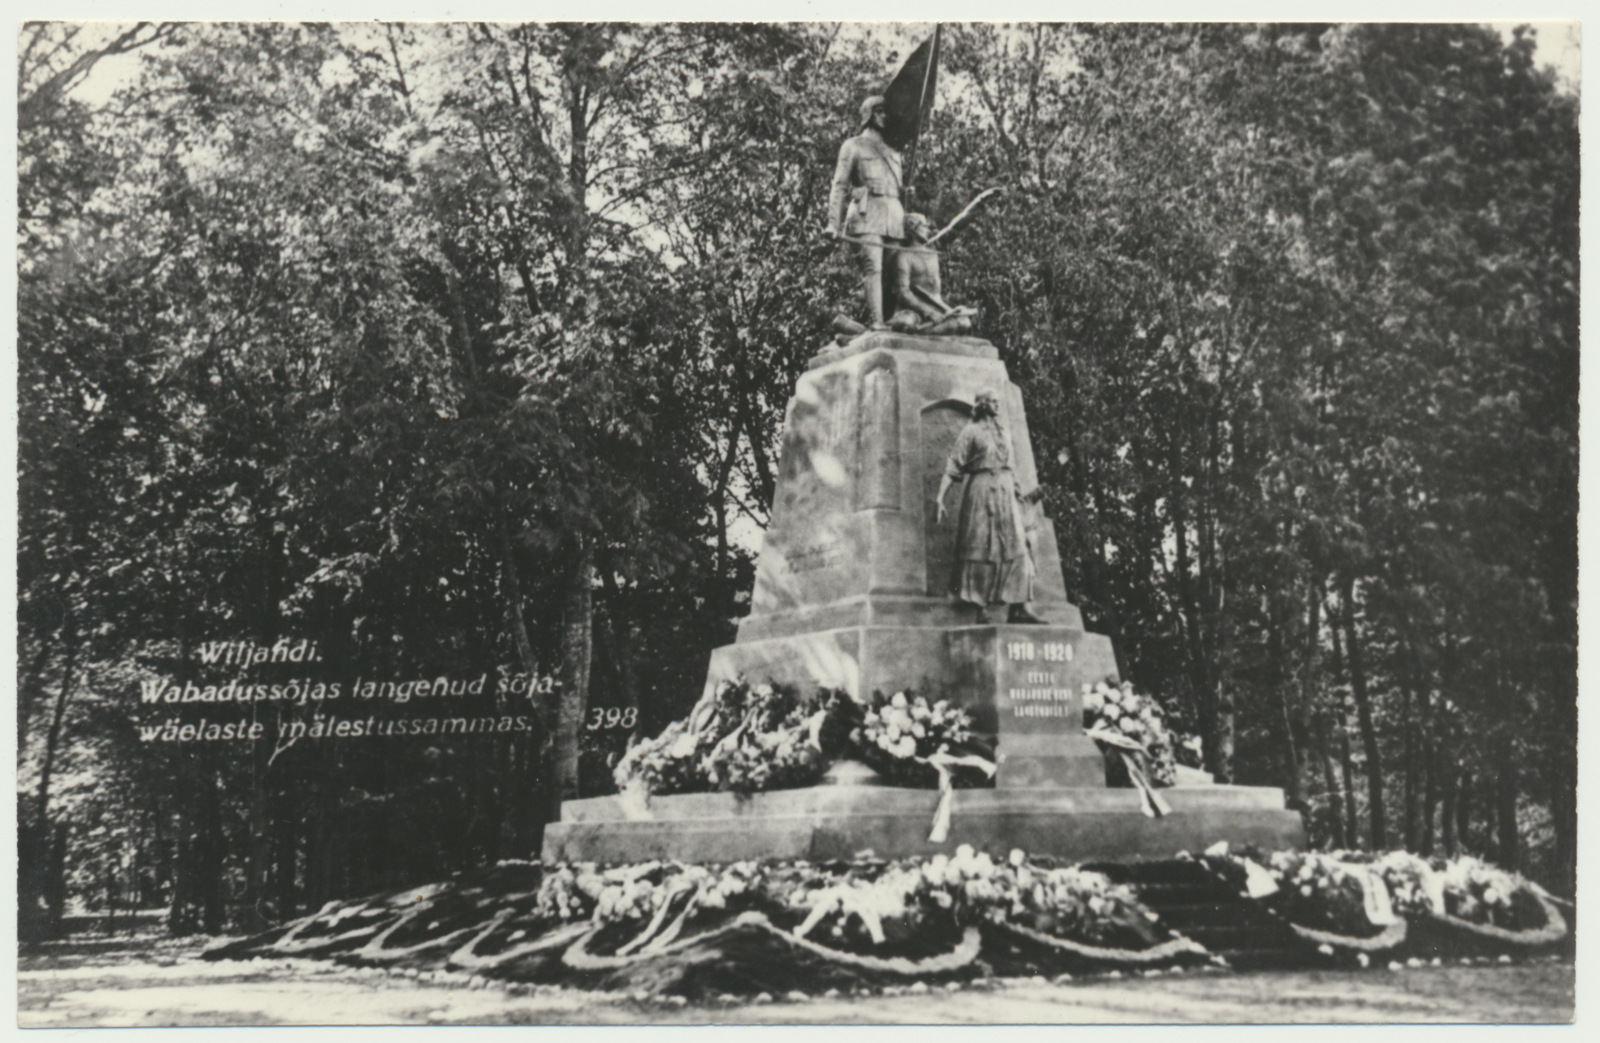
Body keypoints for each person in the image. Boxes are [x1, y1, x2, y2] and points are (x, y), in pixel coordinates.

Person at [934, 390, 1047, 624]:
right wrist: (940, 498)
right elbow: (953, 465)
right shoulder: (971, 431)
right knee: (981, 546)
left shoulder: (1003, 432)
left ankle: (1020, 607)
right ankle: (980, 608)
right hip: (981, 490)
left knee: (1016, 545)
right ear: (983, 405)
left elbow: (1012, 466)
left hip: (1006, 491)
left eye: (998, 401)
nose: (997, 404)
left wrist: (1018, 494)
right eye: (993, 401)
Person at [825, 95, 906, 328]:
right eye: (879, 111)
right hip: (866, 214)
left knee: (894, 272)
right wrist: (833, 223)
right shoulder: (853, 146)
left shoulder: (894, 153)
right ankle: (877, 323)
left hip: (894, 216)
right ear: (868, 114)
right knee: (873, 266)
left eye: (885, 112)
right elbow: (839, 185)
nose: (884, 116)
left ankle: (891, 322)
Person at [889, 212, 975, 334]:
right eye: (923, 225)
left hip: (937, 308)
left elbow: (954, 230)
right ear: (913, 228)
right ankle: (923, 330)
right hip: (913, 310)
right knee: (904, 322)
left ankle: (924, 332)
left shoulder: (932, 253)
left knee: (964, 323)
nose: (927, 229)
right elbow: (903, 292)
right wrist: (927, 312)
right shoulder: (903, 256)